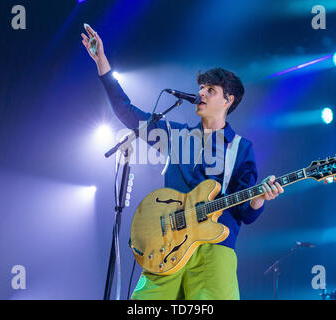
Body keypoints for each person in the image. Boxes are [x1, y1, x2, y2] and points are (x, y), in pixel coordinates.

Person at [81, 25, 284, 300]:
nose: (200, 93)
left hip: (215, 248)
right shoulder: (175, 135)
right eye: (200, 88)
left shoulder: (240, 148)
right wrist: (102, 63)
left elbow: (246, 213)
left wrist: (260, 198)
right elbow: (127, 113)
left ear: (228, 100)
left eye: (210, 89)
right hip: (166, 245)